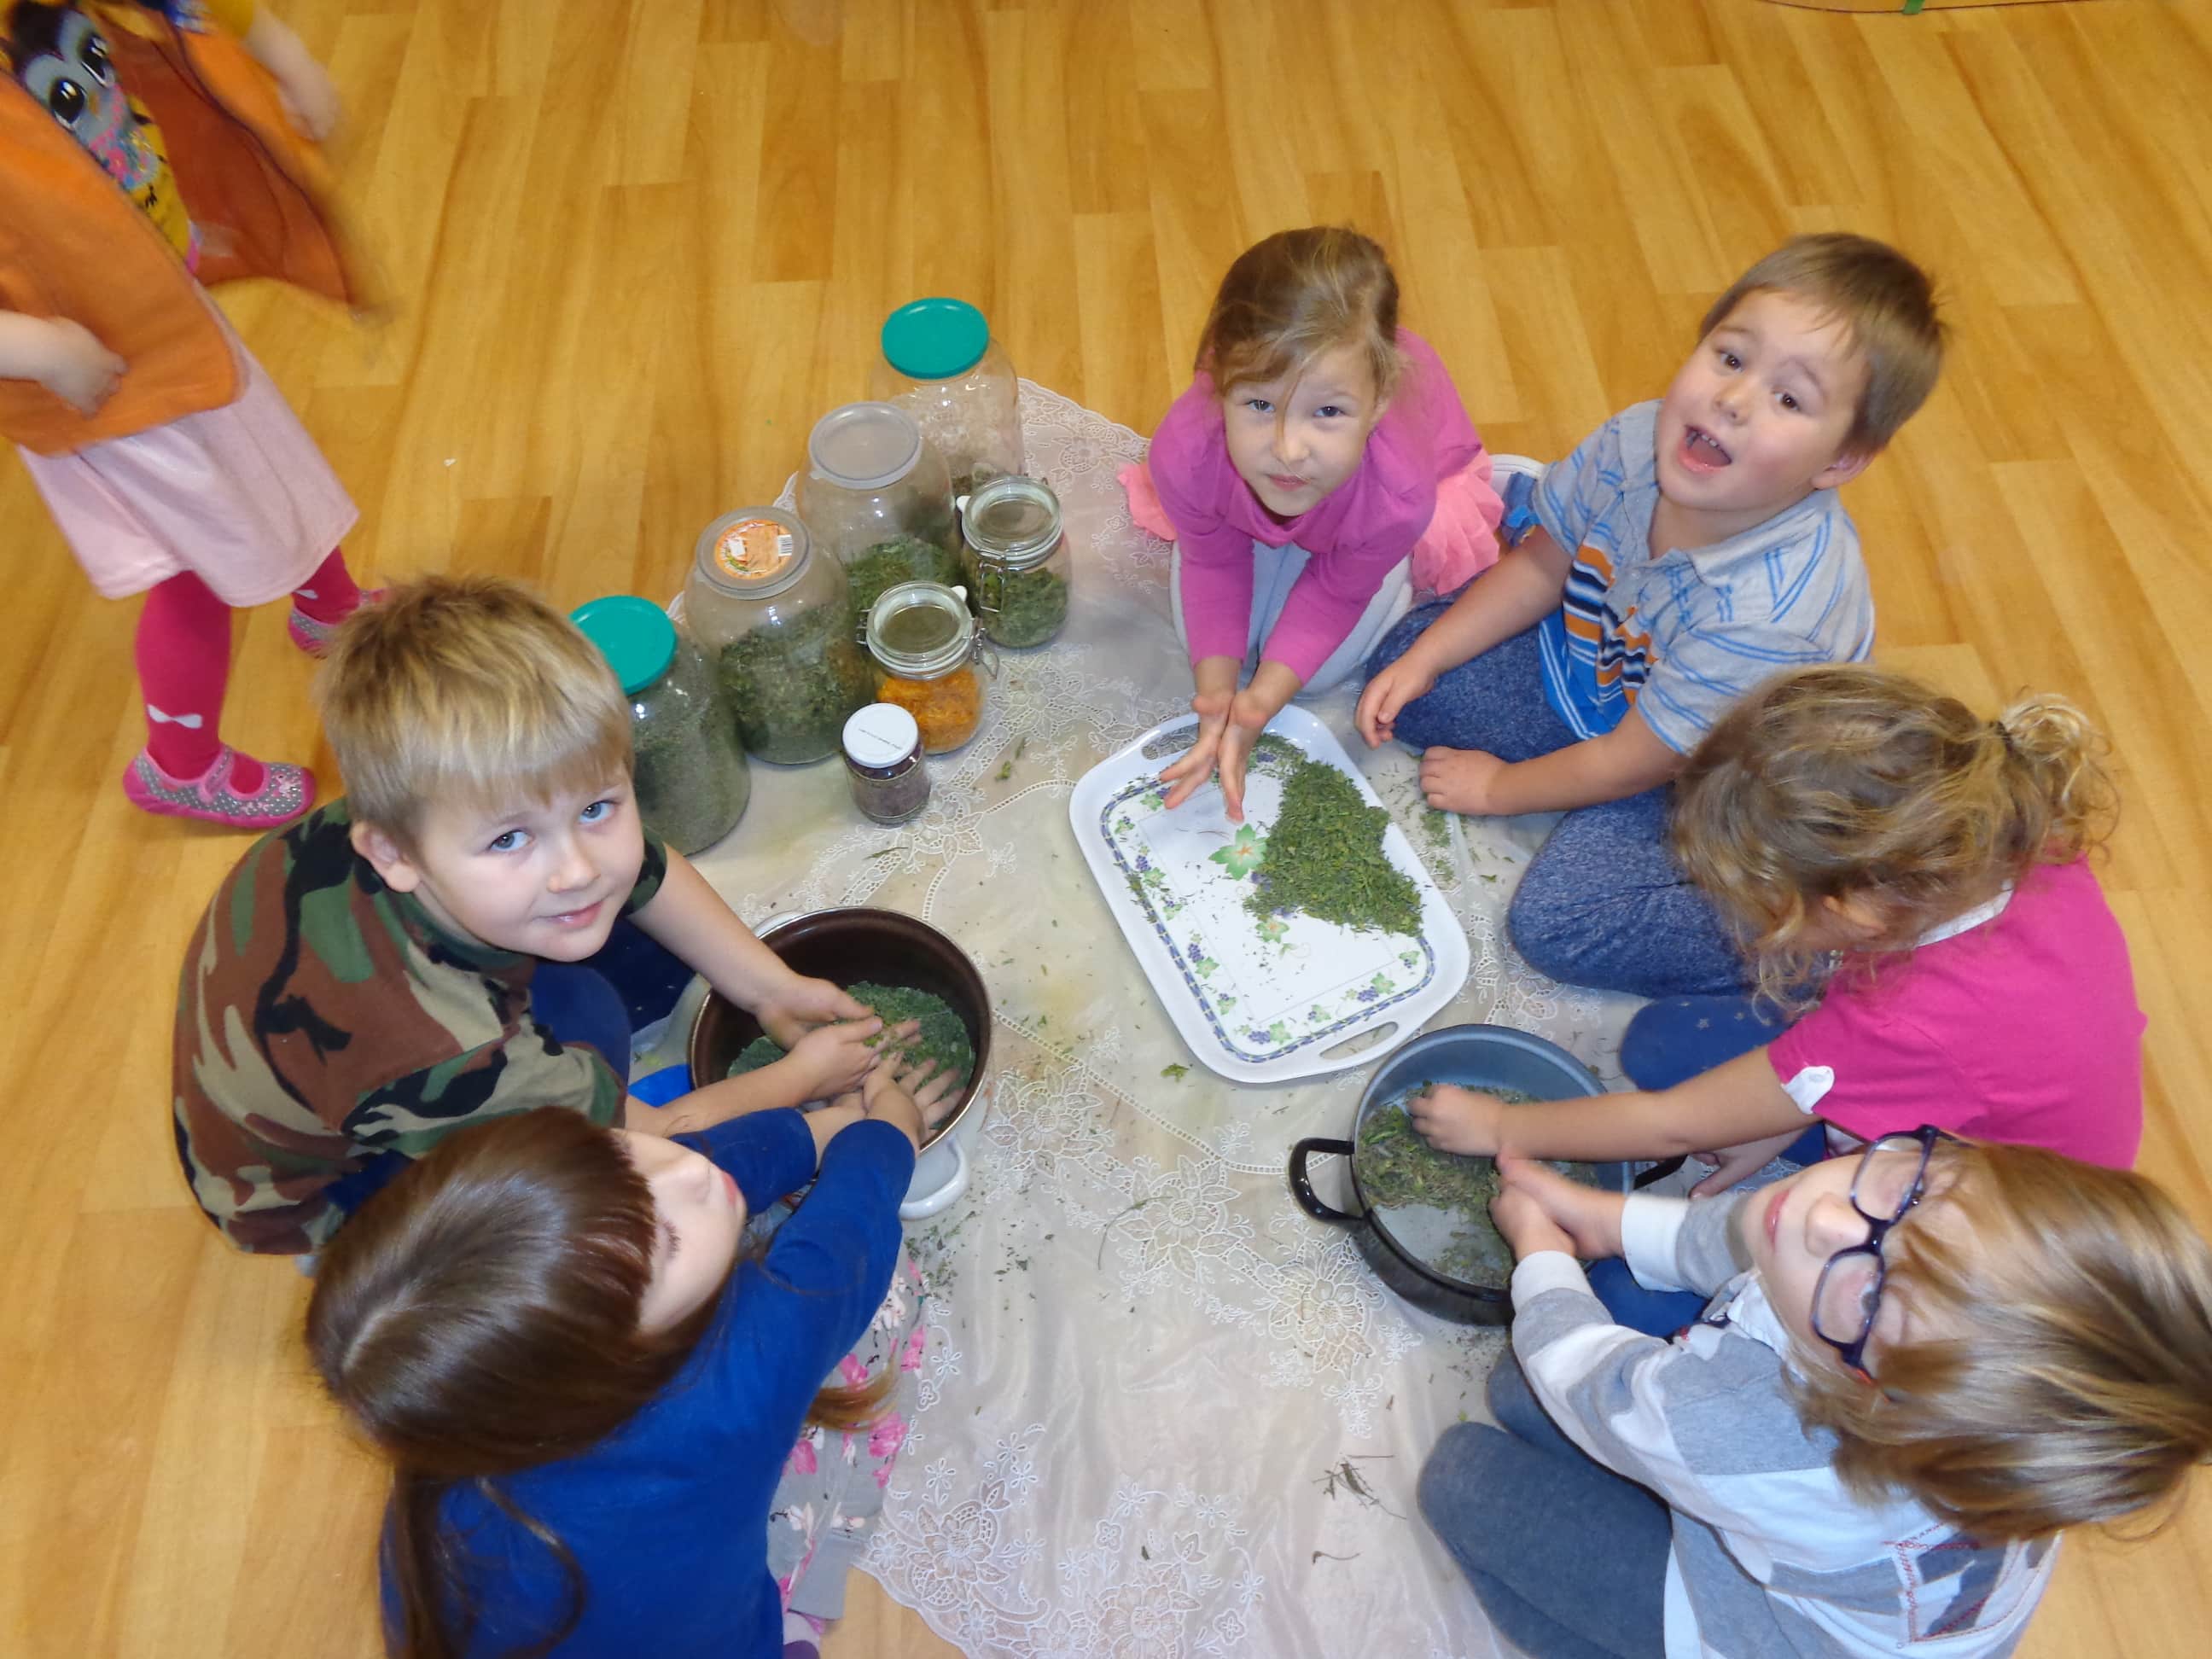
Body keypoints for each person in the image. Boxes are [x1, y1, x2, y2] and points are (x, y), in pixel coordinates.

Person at [172, 574, 897, 1255]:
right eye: (509, 840)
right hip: (329, 1193)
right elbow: (656, 1136)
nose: (576, 868)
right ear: (392, 853)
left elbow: (645, 866)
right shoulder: (435, 1049)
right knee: (587, 1090)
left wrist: (770, 990)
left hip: (325, 1038)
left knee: (610, 932)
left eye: (596, 807)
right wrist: (802, 1077)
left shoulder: (429, 812)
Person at [1358, 233, 1944, 996]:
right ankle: (1563, 780)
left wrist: (1500, 790)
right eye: (1730, 358)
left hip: (1709, 784)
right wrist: (1427, 658)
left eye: (1789, 400)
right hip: (1605, 685)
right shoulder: (1639, 438)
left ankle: (1799, 939)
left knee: (1559, 923)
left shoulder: (1771, 615)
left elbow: (1637, 762)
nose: (1733, 400)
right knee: (1401, 671)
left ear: (1838, 462)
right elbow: (1542, 564)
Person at [1418, 1133, 2212, 1659]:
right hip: (1859, 1570)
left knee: (1462, 1475)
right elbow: (1755, 1230)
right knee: (1519, 1391)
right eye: (1916, 1197)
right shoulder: (1929, 1364)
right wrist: (1606, 1221)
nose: (1827, 1215)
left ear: (1866, 1398)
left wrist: (1541, 1253)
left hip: (1771, 1637)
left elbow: (1595, 1386)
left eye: (1870, 1301)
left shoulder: (1750, 1429)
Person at [307, 1051, 952, 1659]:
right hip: (711, 1637)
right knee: (891, 1291)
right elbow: (839, 1256)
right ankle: (795, 1620)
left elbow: (659, 1184)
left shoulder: (462, 1387)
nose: (688, 1170)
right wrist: (886, 1134)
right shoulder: (728, 1388)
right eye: (666, 1241)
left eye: (612, 1153)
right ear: (614, 1364)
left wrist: (811, 1133)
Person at [1, 1, 375, 827]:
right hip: (97, 383)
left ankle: (329, 606)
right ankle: (180, 763)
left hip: (159, 316)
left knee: (264, 455)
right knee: (193, 568)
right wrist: (41, 351)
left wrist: (283, 53)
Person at [1120, 224, 1504, 822]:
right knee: (1216, 646)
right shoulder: (1188, 451)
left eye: (1327, 411)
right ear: (1220, 383)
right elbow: (1212, 562)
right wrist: (1219, 699)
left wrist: (1262, 703)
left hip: (1368, 515)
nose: (1288, 450)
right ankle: (1296, 531)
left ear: (1377, 405)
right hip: (1286, 501)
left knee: (1318, 675)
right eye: (1258, 404)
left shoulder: (1398, 494)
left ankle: (1378, 562)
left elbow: (1336, 594)